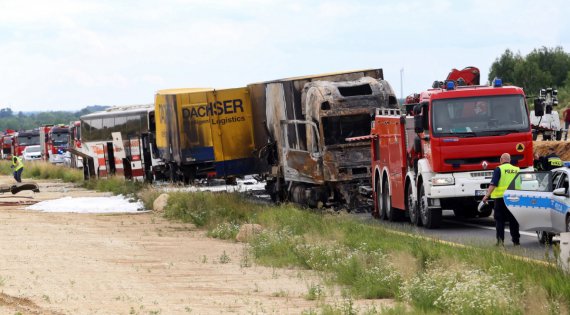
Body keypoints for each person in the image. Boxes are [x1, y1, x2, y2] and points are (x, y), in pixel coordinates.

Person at [482, 153, 520, 246]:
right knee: (513, 220)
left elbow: (493, 184)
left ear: (501, 159)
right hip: (514, 198)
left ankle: (500, 241)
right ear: (509, 160)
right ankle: (516, 241)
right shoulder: (517, 169)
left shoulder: (499, 169)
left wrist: (486, 195)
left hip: (500, 198)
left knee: (500, 220)